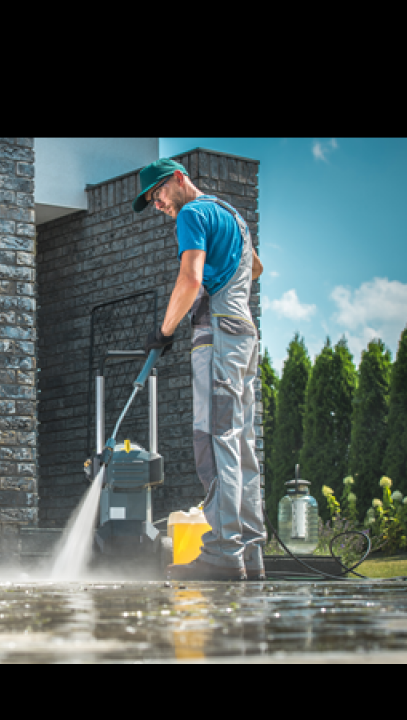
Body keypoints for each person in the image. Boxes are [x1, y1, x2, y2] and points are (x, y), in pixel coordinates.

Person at [133, 158, 266, 581]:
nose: (158, 204)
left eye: (158, 193)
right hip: (244, 333)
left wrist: (164, 330)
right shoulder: (233, 216)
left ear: (178, 178)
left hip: (219, 337)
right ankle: (250, 551)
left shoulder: (192, 213)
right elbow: (256, 269)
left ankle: (223, 552)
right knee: (240, 443)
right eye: (153, 200)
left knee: (216, 440)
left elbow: (189, 280)